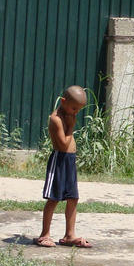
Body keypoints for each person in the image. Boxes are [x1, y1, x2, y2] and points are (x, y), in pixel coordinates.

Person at [33, 85, 92, 248]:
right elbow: (64, 144)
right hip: (59, 160)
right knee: (54, 198)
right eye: (74, 108)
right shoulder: (56, 119)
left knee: (73, 198)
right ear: (64, 101)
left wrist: (71, 121)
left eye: (78, 110)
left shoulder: (67, 116)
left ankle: (69, 235)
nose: (75, 113)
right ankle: (44, 234)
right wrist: (71, 126)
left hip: (70, 160)